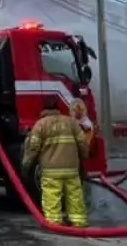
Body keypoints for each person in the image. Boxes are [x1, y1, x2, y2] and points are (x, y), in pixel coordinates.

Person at [22, 97, 90, 228]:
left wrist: (25, 166)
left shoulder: (40, 125)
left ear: (44, 109)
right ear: (58, 108)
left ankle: (54, 224)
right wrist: (83, 159)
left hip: (51, 171)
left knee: (52, 197)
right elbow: (82, 144)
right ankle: (79, 222)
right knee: (75, 195)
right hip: (71, 169)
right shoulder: (71, 122)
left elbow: (33, 148)